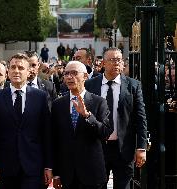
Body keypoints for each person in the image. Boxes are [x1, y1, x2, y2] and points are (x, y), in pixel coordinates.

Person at [0, 53, 53, 189]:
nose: (16, 71)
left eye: (21, 68)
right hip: (4, 167)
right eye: (13, 67)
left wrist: (48, 165)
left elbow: (46, 134)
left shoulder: (40, 97)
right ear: (8, 71)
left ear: (28, 72)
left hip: (33, 166)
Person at [85, 47, 147, 189]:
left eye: (119, 60)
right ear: (103, 64)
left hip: (124, 148)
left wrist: (141, 148)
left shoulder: (133, 86)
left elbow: (141, 118)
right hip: (98, 147)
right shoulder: (90, 85)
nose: (117, 63)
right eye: (112, 60)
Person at [52, 61, 113, 189]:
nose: (69, 77)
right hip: (67, 175)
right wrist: (56, 174)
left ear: (85, 76)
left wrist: (87, 116)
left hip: (92, 173)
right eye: (66, 73)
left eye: (74, 73)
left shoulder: (99, 102)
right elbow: (55, 141)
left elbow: (105, 132)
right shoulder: (58, 104)